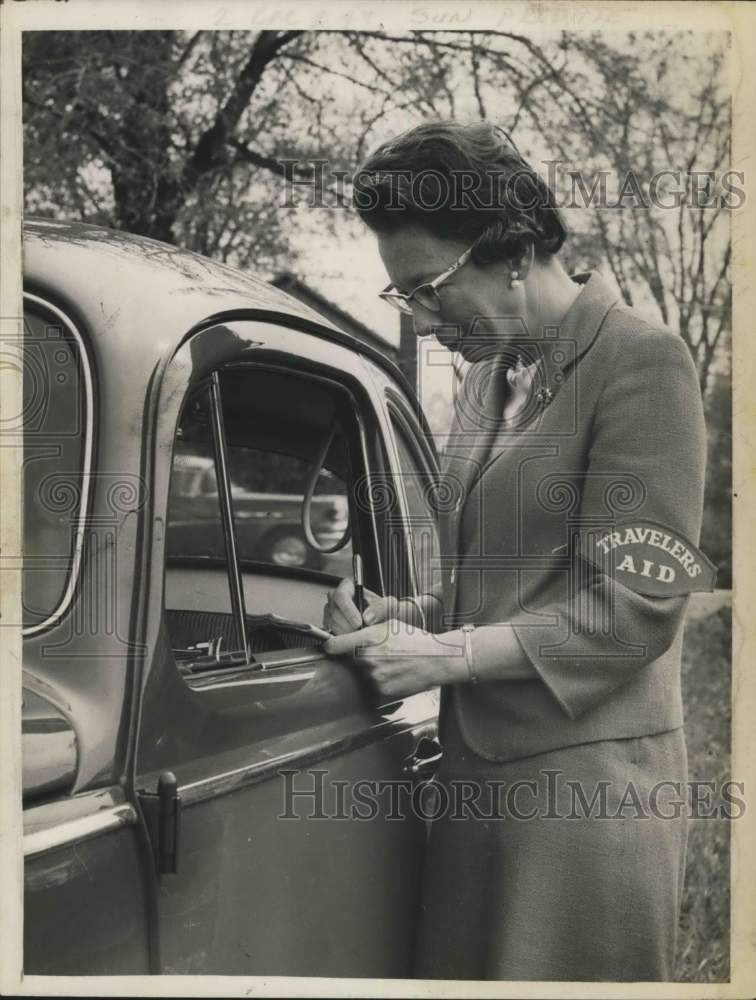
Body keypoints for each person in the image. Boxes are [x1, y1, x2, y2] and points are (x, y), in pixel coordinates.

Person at [323, 120, 707, 981]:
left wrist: (446, 658)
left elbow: (636, 609)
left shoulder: (643, 362)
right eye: (403, 298)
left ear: (511, 249)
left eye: (429, 289)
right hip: (477, 788)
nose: (421, 321)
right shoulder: (485, 379)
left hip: (584, 802)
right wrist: (406, 617)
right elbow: (498, 589)